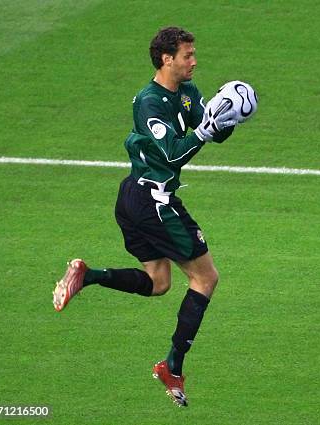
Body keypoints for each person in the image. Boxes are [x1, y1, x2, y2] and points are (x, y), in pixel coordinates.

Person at [52, 26, 239, 408]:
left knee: (158, 283)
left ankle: (87, 276)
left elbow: (209, 129)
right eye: (187, 55)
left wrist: (230, 114)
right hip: (154, 203)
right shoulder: (149, 102)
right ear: (166, 58)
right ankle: (173, 365)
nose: (194, 61)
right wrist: (204, 131)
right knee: (206, 278)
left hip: (135, 199)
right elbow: (173, 153)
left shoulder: (186, 92)